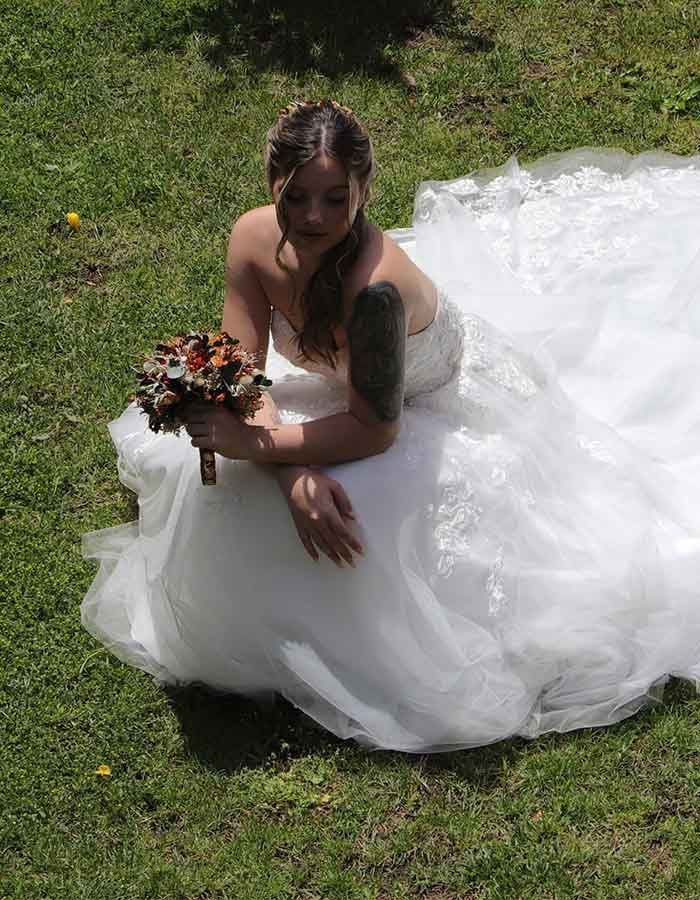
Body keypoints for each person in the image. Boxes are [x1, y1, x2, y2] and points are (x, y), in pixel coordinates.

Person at [82, 100, 700, 753]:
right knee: (234, 487)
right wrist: (287, 471)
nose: (314, 218)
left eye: (335, 199)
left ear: (364, 193)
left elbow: (376, 430)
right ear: (272, 185)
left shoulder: (376, 291)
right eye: (296, 198)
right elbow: (242, 369)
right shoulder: (252, 238)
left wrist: (259, 444)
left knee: (360, 514)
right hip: (340, 398)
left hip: (418, 406)